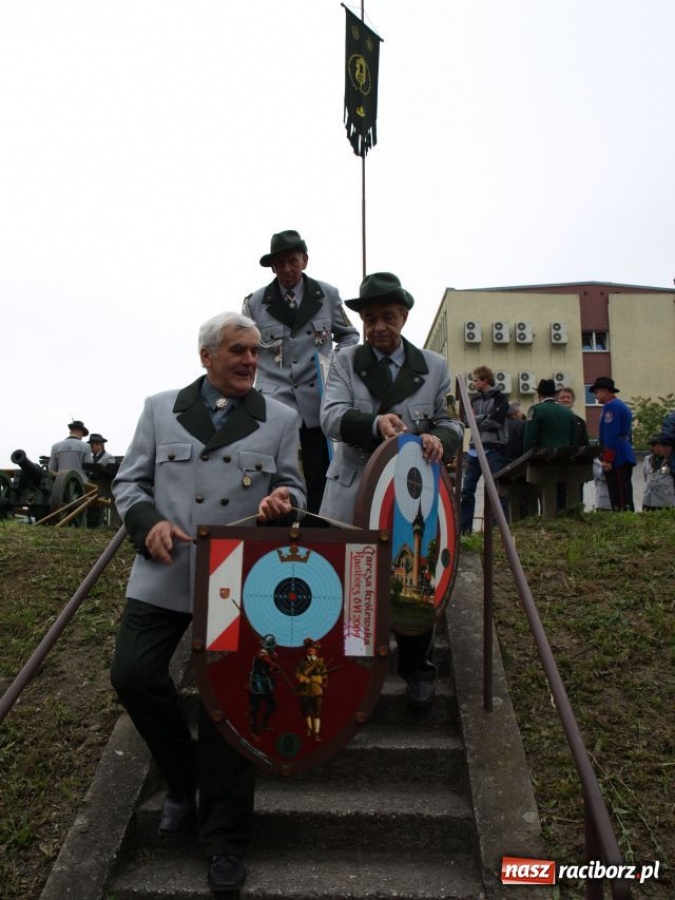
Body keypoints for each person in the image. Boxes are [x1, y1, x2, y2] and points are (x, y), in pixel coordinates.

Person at [110, 311, 307, 895]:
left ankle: (225, 838)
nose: (251, 360)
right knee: (134, 674)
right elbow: (129, 483)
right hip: (165, 570)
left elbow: (296, 487)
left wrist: (283, 501)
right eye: (238, 351)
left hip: (237, 580)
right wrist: (147, 524)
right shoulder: (159, 407)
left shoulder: (281, 418)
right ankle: (182, 778)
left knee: (228, 698)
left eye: (255, 351)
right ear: (207, 357)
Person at [318, 272, 464, 708]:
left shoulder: (433, 366)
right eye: (370, 318)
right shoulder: (344, 362)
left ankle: (417, 669)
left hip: (409, 497)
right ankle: (353, 673)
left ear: (403, 317)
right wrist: (374, 423)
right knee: (350, 582)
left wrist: (442, 438)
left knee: (412, 578)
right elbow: (331, 417)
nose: (379, 326)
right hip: (350, 492)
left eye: (388, 317)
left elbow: (451, 420)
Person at [243, 229, 359, 519]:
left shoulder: (326, 295)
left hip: (316, 402)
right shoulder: (255, 303)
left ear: (305, 260)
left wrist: (333, 367)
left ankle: (316, 531)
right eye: (279, 263)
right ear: (272, 267)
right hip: (275, 402)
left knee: (319, 469)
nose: (286, 269)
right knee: (279, 471)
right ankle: (280, 528)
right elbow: (244, 345)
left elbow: (350, 336)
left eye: (292, 261)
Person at [459, 365, 509, 533]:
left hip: (493, 449)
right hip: (474, 450)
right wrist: (483, 418)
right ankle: (464, 529)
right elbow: (466, 421)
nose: (473, 383)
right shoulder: (473, 400)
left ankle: (498, 529)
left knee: (497, 491)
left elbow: (496, 421)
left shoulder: (501, 399)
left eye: (475, 380)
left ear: (485, 380)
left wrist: (476, 421)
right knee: (466, 491)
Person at [590, 376, 636, 511]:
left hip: (617, 456)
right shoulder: (620, 405)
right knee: (624, 492)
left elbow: (611, 434)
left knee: (619, 496)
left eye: (597, 392)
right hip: (623, 451)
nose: (596, 396)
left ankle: (624, 525)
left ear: (605, 391)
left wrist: (607, 459)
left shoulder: (610, 407)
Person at [523, 379, 578, 452]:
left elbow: (530, 439)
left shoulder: (536, 410)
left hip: (543, 458)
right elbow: (574, 440)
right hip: (565, 458)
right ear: (554, 395)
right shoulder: (568, 412)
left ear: (539, 395)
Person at [642, 435, 675, 510]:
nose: (651, 448)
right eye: (650, 445)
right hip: (649, 500)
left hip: (666, 501)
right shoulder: (647, 459)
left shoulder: (672, 460)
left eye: (653, 445)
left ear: (662, 446)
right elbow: (645, 477)